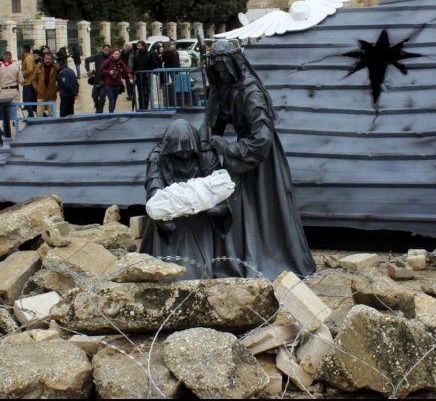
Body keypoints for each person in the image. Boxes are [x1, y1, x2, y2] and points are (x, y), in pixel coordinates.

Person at [204, 40, 316, 280]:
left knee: (262, 206)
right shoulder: (222, 88)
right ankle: (235, 260)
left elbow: (262, 138)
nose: (221, 74)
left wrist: (229, 147)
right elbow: (213, 124)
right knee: (234, 203)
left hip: (261, 158)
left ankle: (263, 258)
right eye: (217, 70)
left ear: (233, 66)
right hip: (239, 153)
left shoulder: (251, 92)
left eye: (224, 70)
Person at [140, 119, 230, 279]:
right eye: (178, 152)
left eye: (187, 150)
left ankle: (206, 270)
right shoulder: (157, 157)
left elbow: (217, 182)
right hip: (171, 210)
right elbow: (154, 185)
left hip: (200, 211)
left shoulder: (206, 153)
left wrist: (220, 204)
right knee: (160, 218)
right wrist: (160, 213)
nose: (183, 154)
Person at [98, 48, 133, 113]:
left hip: (117, 85)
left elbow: (127, 70)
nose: (116, 55)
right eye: (115, 54)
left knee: (114, 101)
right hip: (108, 85)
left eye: (117, 54)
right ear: (112, 54)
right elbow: (101, 70)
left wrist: (130, 77)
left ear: (119, 55)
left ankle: (112, 113)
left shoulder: (120, 62)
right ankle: (111, 115)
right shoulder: (107, 61)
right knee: (111, 100)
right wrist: (109, 72)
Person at [85, 44, 111, 113]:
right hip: (97, 80)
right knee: (94, 96)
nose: (107, 51)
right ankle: (97, 106)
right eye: (105, 50)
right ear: (102, 50)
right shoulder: (98, 56)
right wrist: (88, 70)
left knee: (102, 96)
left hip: (106, 81)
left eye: (108, 50)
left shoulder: (111, 57)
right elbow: (87, 60)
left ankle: (99, 111)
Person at [34, 51, 59, 117]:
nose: (48, 61)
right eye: (46, 59)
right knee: (39, 115)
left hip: (51, 95)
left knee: (51, 115)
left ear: (52, 59)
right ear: (44, 59)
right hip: (41, 94)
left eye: (49, 59)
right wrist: (37, 88)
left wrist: (56, 89)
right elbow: (34, 79)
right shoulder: (39, 67)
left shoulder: (55, 68)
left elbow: (60, 79)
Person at [56, 49, 79, 117]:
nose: (56, 65)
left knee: (63, 117)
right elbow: (77, 84)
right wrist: (75, 93)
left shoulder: (62, 72)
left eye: (56, 63)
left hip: (65, 97)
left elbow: (67, 85)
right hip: (71, 98)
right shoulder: (71, 70)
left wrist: (74, 94)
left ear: (60, 63)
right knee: (71, 116)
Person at [132, 41, 153, 110]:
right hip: (139, 77)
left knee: (146, 93)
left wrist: (149, 71)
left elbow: (154, 64)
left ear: (144, 46)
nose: (138, 47)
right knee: (140, 93)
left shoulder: (149, 54)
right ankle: (141, 108)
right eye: (137, 46)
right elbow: (134, 66)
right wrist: (134, 73)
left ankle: (145, 108)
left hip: (146, 76)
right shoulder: (136, 54)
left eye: (140, 46)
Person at [21, 45, 37, 117]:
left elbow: (30, 69)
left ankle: (31, 115)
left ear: (23, 50)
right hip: (28, 82)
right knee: (28, 100)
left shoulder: (28, 58)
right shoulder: (29, 58)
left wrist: (21, 75)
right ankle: (30, 115)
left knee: (27, 100)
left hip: (28, 82)